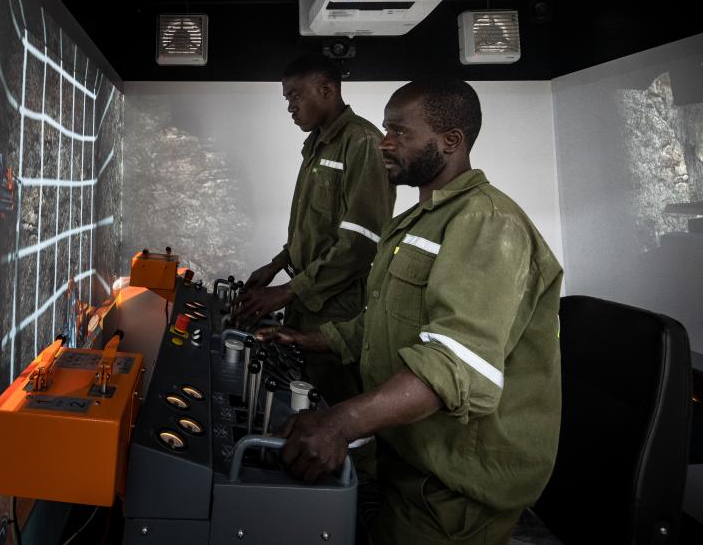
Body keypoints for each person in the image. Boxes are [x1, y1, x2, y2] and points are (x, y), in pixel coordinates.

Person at [258, 78, 563, 545]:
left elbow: (454, 363)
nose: (384, 142)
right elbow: (384, 322)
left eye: (399, 131)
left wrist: (340, 421)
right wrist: (308, 339)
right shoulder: (415, 221)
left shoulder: (486, 224)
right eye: (385, 129)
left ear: (451, 142)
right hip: (407, 462)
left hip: (452, 487)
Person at [233, 53, 395, 405]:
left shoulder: (362, 142)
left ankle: (360, 462)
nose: (290, 107)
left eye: (295, 95)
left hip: (335, 306)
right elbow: (314, 226)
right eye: (287, 98)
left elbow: (360, 243)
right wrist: (277, 264)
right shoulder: (317, 143)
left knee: (336, 404)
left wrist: (286, 292)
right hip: (305, 296)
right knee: (304, 396)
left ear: (327, 89)